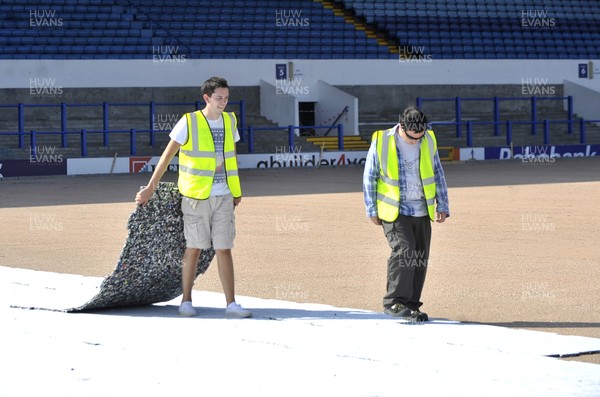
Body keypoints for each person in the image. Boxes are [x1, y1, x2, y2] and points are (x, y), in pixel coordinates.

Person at [135, 76, 251, 318]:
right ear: (206, 98)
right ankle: (186, 301)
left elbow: (231, 157)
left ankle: (231, 304)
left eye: (227, 98)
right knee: (194, 248)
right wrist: (150, 187)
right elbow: (167, 156)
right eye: (219, 98)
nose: (224, 102)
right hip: (196, 196)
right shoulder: (188, 122)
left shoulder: (230, 120)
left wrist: (236, 192)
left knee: (224, 248)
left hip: (224, 195)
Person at [362, 106, 449, 322]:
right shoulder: (382, 141)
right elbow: (370, 175)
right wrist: (371, 209)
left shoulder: (428, 139)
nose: (415, 141)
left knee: (419, 257)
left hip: (422, 208)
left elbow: (437, 171)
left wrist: (443, 204)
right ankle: (394, 302)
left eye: (419, 136)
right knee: (405, 251)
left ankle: (411, 305)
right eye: (411, 137)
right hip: (394, 210)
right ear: (402, 127)